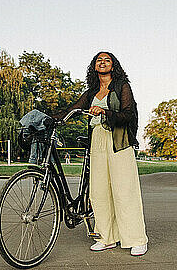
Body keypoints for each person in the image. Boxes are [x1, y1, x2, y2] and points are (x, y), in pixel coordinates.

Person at [58, 52, 148, 256]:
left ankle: (136, 239)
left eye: (107, 60)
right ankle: (106, 237)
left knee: (124, 191)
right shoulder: (91, 93)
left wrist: (104, 112)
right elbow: (72, 109)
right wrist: (48, 118)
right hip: (97, 141)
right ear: (94, 66)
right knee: (98, 192)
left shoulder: (121, 86)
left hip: (118, 141)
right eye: (99, 60)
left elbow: (128, 114)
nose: (103, 62)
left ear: (114, 66)